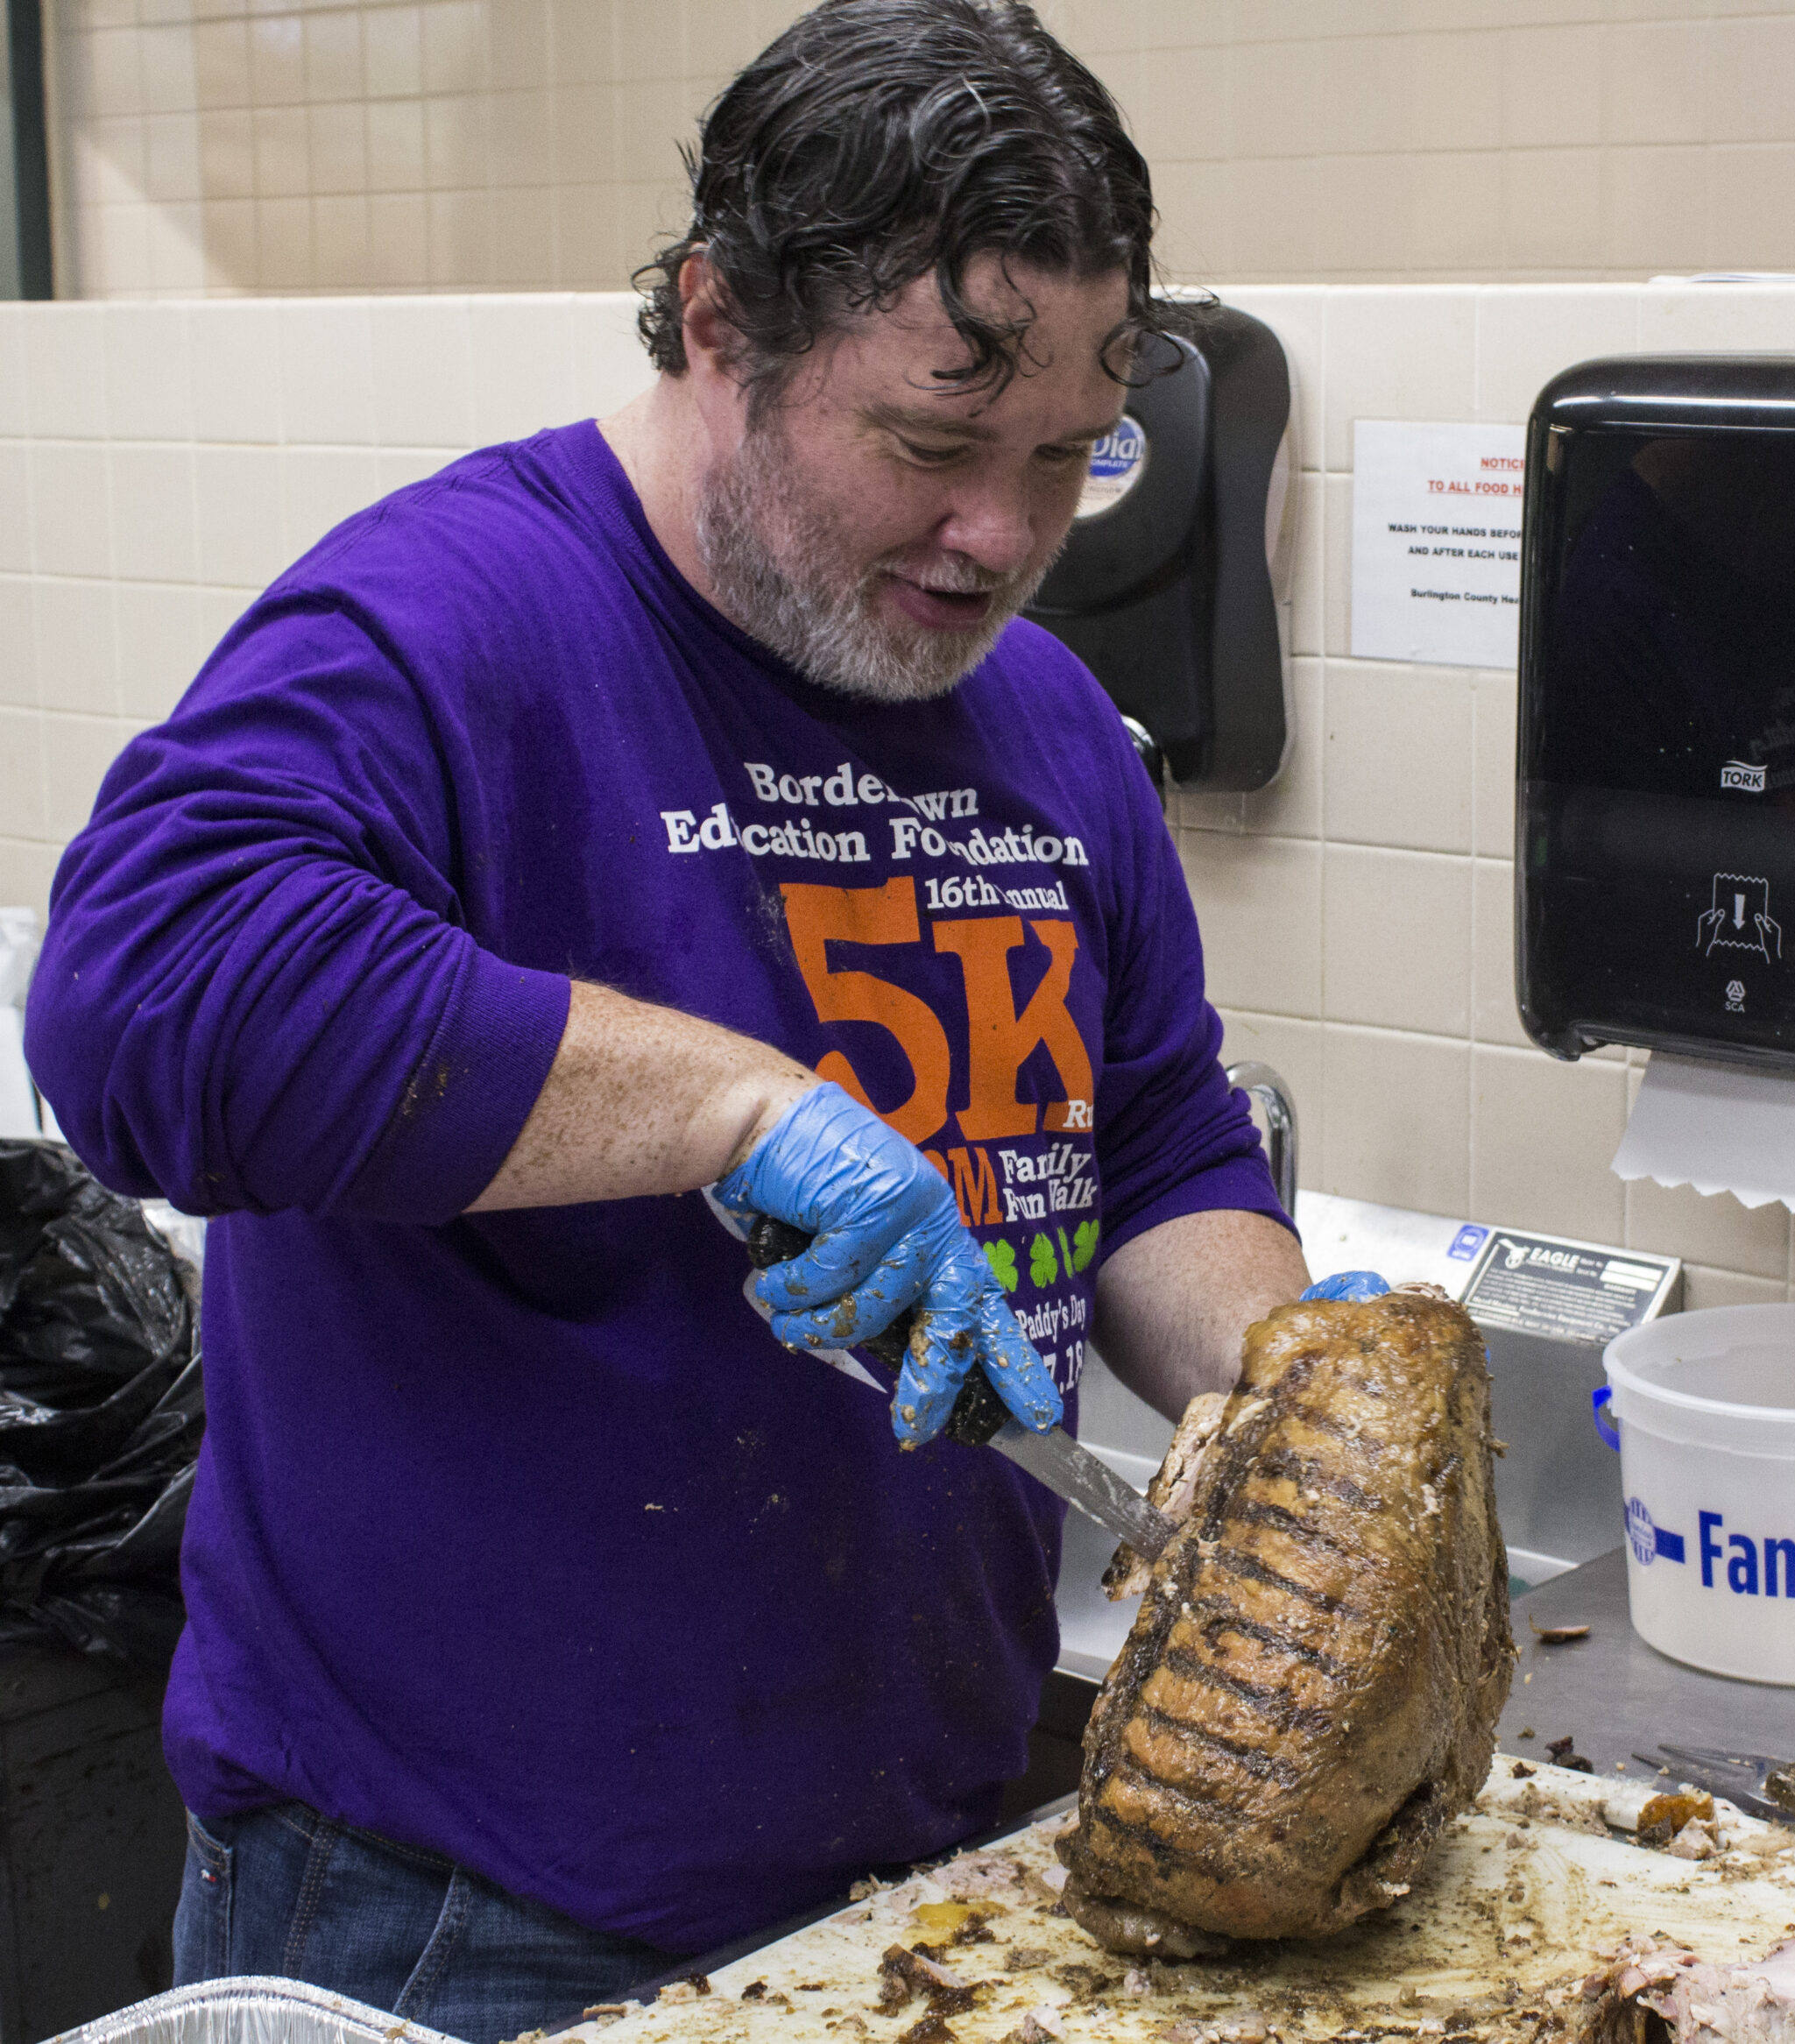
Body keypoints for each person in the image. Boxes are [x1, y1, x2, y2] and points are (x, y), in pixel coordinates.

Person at [25, 3, 1370, 2033]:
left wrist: (1298, 1424)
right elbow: (147, 1005)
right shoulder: (452, 619)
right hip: (469, 1912)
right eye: (929, 446)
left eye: (1061, 461)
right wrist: (735, 1111)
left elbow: (1153, 1137)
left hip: (916, 1872)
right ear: (717, 324)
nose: (999, 539)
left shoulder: (1036, 724)